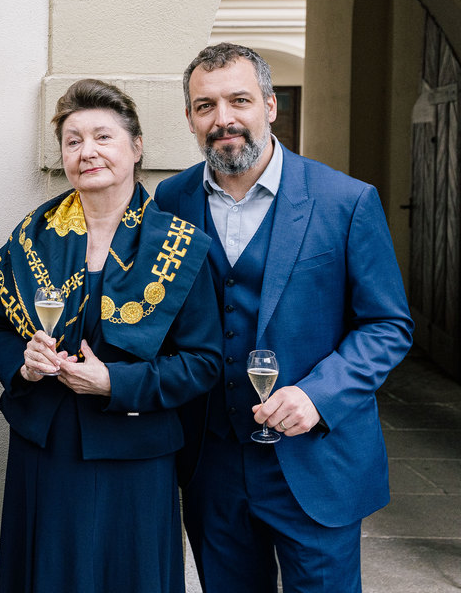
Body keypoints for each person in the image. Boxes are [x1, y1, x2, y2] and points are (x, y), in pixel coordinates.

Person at [155, 42, 415, 593]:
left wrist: (317, 395)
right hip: (212, 463)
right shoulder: (170, 199)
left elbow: (388, 325)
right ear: (189, 119)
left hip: (317, 460)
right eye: (205, 106)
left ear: (270, 106)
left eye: (239, 101)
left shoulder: (346, 200)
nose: (223, 119)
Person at [0, 78, 221, 592]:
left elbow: (202, 362)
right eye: (72, 140)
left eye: (102, 137)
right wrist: (22, 363)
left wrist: (114, 382)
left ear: (136, 149)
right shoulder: (32, 236)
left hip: (134, 453)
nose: (86, 151)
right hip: (45, 449)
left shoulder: (179, 247)